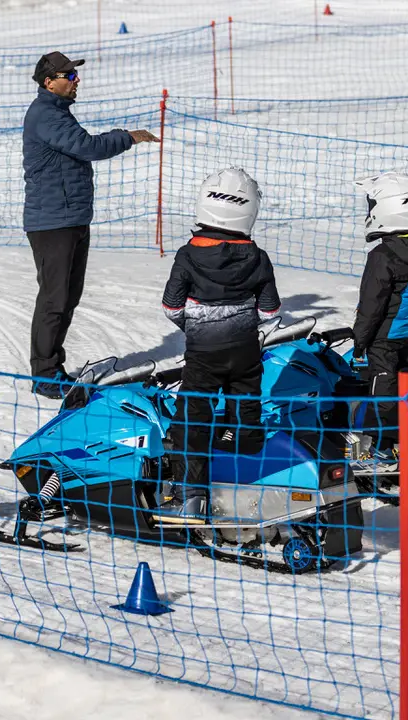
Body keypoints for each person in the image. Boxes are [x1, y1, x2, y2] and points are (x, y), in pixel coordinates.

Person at [22, 51, 160, 399]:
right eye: (68, 75)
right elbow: (87, 147)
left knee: (68, 297)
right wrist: (128, 136)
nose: (75, 80)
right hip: (53, 223)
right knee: (55, 299)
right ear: (48, 82)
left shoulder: (57, 113)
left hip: (70, 218)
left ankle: (54, 367)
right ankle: (46, 374)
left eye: (74, 74)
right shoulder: (45, 115)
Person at [153, 168, 281, 525]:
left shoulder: (187, 255)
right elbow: (270, 312)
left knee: (193, 418)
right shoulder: (257, 257)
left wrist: (196, 327)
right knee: (244, 413)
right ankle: (251, 482)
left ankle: (191, 497)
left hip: (203, 354)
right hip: (245, 351)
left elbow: (171, 307)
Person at [350, 172, 408, 470]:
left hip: (383, 338)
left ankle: (380, 449)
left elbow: (371, 305)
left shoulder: (383, 256)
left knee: (380, 393)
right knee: (405, 386)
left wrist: (359, 340)